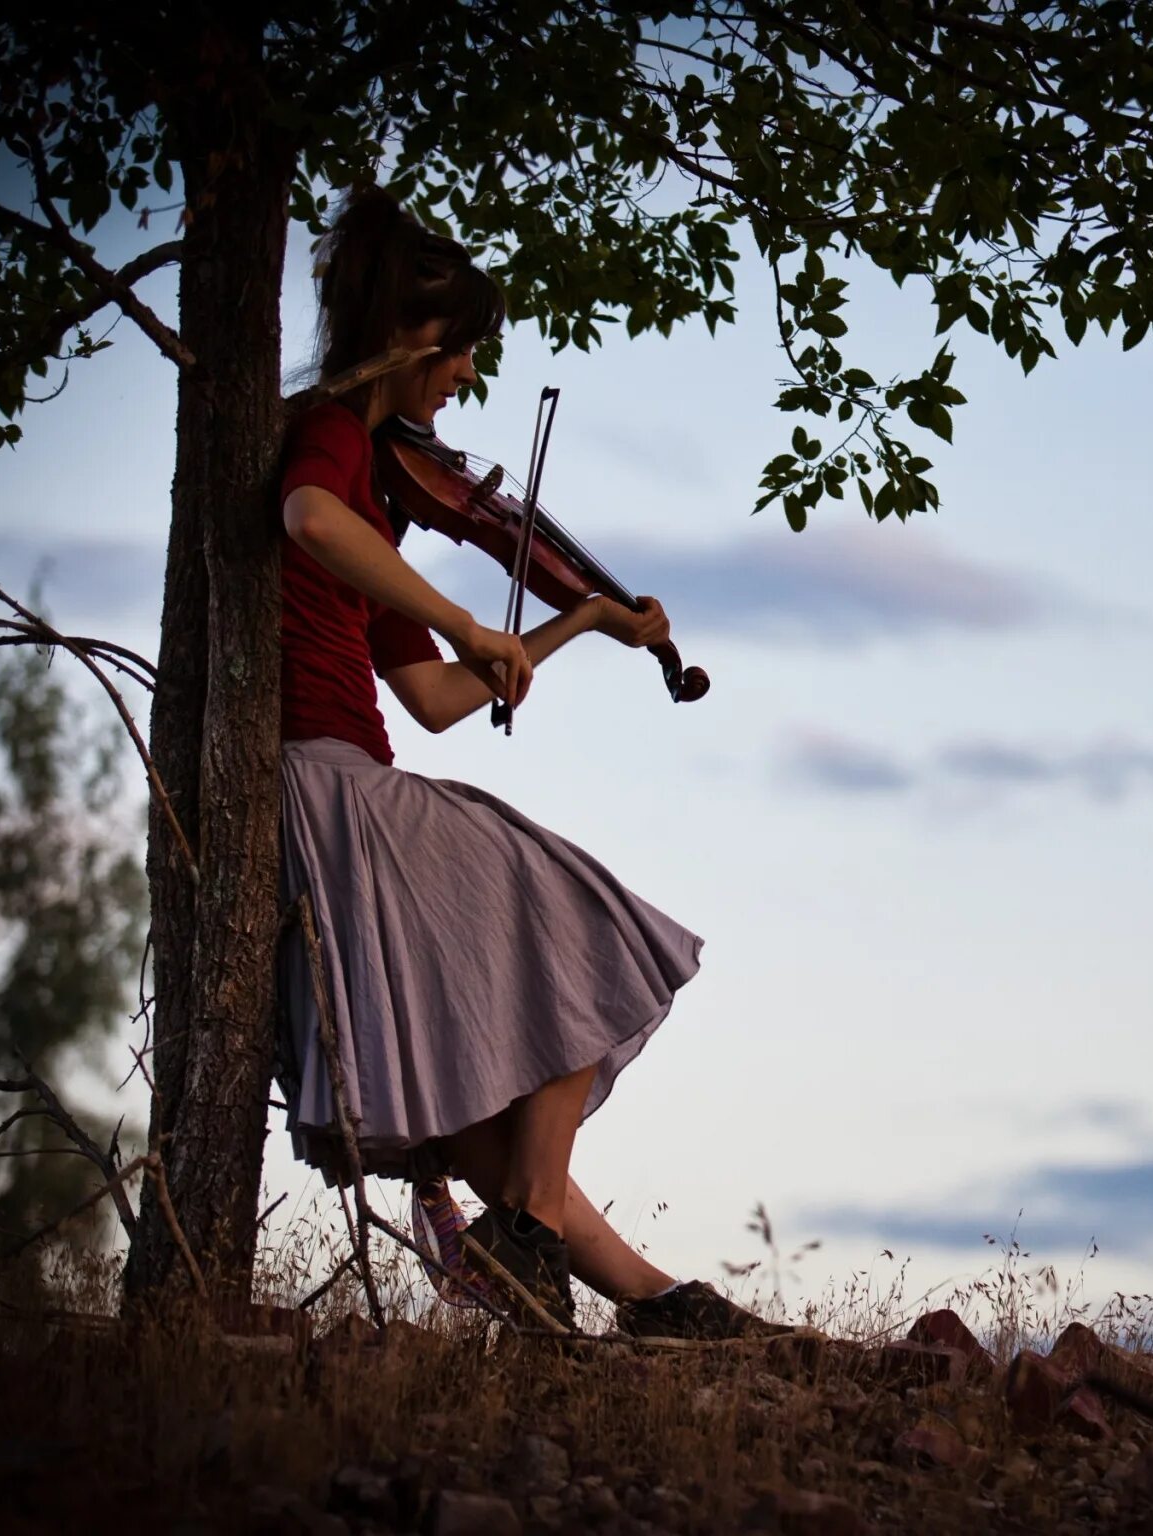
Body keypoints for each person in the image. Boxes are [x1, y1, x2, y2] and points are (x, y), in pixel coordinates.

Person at [275, 186, 778, 1342]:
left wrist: (572, 625)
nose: (463, 386)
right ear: (412, 340)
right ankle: (534, 1233)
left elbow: (443, 701)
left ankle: (645, 1300)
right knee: (586, 926)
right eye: (460, 360)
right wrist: (470, 615)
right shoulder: (332, 440)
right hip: (328, 783)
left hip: (353, 776)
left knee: (486, 1126)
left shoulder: (379, 517)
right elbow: (308, 517)